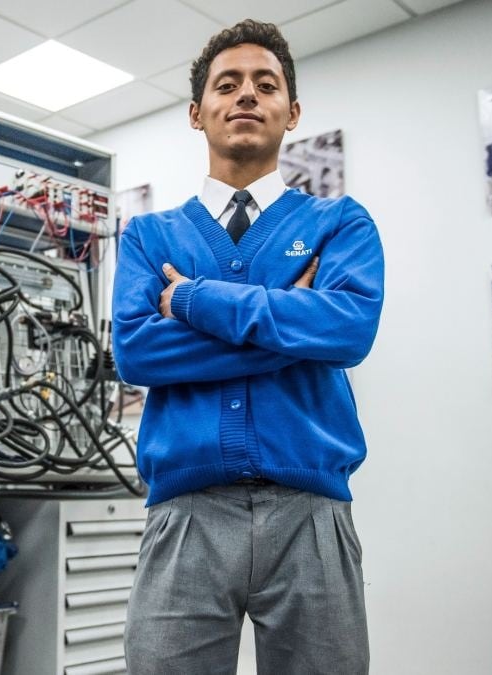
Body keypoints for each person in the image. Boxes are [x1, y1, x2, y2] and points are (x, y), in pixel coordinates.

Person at [112, 19, 384, 675]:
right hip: (186, 519)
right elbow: (138, 353)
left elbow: (349, 330)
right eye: (226, 84)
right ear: (196, 113)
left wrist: (192, 301)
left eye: (266, 84)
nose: (245, 95)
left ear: (291, 113)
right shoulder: (150, 236)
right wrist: (295, 323)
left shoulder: (338, 222)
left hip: (311, 517)